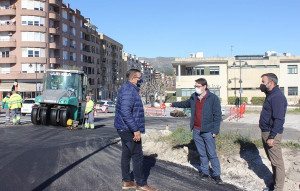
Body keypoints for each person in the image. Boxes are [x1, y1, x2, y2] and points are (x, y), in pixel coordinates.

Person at [170, 78, 223, 185]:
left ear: (204, 87)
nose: (196, 88)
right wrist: (174, 104)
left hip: (208, 130)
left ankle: (216, 174)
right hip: (196, 129)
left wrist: (215, 130)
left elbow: (217, 116)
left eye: (198, 86)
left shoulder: (213, 98)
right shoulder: (194, 97)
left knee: (212, 153)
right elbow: (186, 103)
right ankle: (205, 172)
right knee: (202, 153)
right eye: (195, 86)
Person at [114, 69, 157, 191]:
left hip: (123, 128)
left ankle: (127, 181)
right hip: (128, 129)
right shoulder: (129, 90)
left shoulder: (128, 89)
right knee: (137, 156)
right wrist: (135, 130)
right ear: (133, 78)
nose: (141, 81)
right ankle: (141, 184)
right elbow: (126, 112)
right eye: (139, 78)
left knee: (126, 154)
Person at [259, 73, 287, 191]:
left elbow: (279, 119)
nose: (261, 84)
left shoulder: (277, 97)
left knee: (277, 162)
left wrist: (272, 136)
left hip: (271, 133)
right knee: (273, 160)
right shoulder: (270, 94)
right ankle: (273, 184)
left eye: (263, 82)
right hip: (266, 131)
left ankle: (278, 188)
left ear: (271, 83)